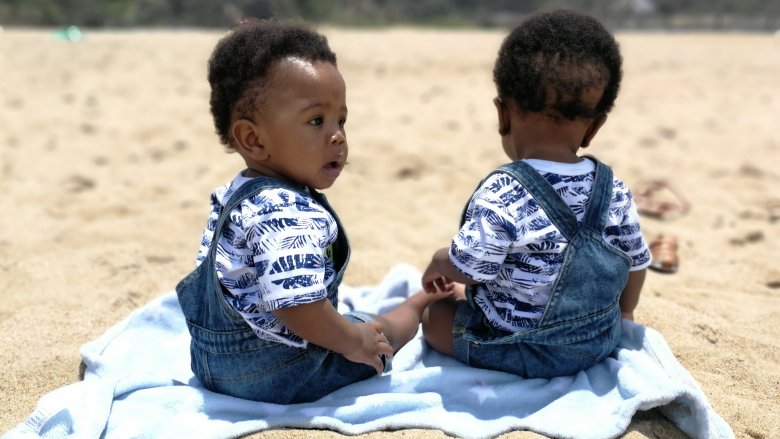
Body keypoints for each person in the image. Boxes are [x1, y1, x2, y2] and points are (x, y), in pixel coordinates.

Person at [176, 20, 450, 404]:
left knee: (350, 324)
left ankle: (405, 307)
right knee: (376, 334)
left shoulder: (239, 193)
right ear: (253, 139)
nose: (337, 135)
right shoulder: (288, 210)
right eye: (316, 121)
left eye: (341, 120)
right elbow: (298, 305)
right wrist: (353, 340)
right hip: (277, 371)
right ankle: (419, 304)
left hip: (211, 362)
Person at [420, 9, 652, 379]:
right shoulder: (615, 190)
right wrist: (624, 315)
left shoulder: (504, 190)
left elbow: (471, 267)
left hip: (521, 348)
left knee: (434, 316)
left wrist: (437, 261)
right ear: (593, 128)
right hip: (596, 343)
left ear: (504, 116)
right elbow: (636, 264)